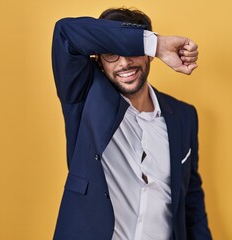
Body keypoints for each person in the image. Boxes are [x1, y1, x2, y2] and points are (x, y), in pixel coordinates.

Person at [51, 7, 212, 240]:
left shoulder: (184, 116)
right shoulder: (85, 97)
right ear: (98, 61)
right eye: (111, 54)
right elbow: (65, 32)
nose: (124, 63)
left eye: (133, 51)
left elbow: (191, 204)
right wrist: (153, 43)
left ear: (147, 57)